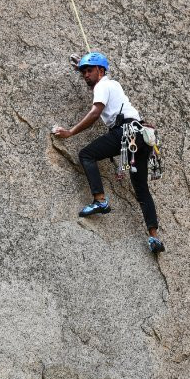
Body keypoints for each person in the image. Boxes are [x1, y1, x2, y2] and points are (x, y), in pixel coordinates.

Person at [52, 52, 165, 253]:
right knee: (141, 189)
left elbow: (96, 112)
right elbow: (103, 91)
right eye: (83, 72)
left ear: (101, 70)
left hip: (126, 132)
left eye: (89, 71)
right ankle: (154, 237)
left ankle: (100, 200)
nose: (85, 75)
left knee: (87, 154)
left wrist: (70, 132)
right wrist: (82, 65)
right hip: (141, 135)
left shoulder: (103, 85)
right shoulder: (113, 85)